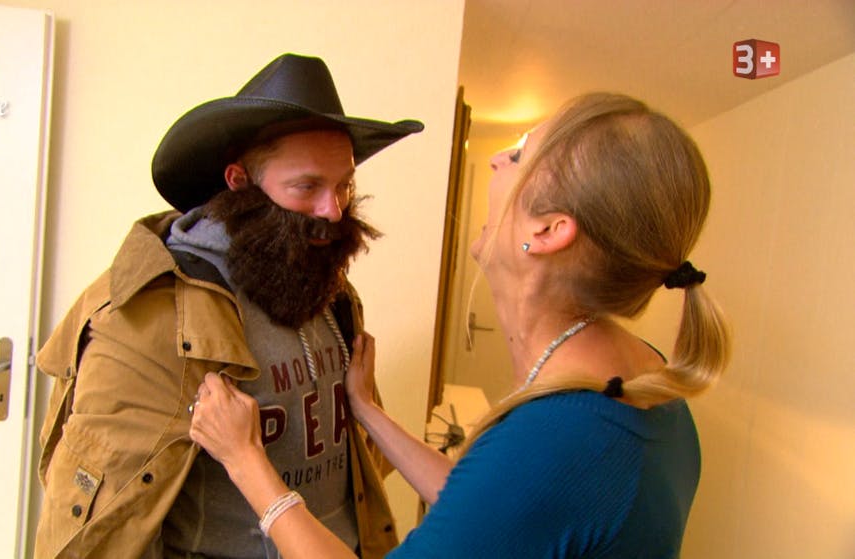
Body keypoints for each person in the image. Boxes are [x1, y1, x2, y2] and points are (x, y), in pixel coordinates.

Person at [188, 92, 731, 558]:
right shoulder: (639, 373)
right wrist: (367, 411)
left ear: (548, 231)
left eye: (518, 155)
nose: (495, 159)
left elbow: (525, 481)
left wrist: (246, 460)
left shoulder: (561, 435)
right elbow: (491, 512)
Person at [33, 53, 423, 558]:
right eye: (307, 186)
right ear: (240, 181)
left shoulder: (326, 286)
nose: (333, 210)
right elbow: (91, 520)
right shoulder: (155, 311)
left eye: (344, 185)